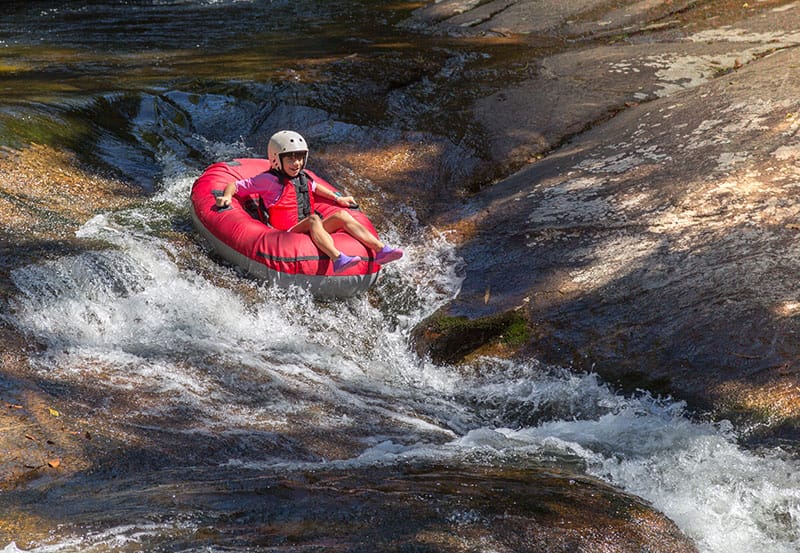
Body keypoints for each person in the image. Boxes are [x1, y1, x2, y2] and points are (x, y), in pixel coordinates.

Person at [215, 130, 403, 273]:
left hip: (308, 228)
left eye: (299, 158)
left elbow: (317, 188)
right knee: (314, 219)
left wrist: (339, 198)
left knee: (342, 215)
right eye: (290, 158)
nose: (296, 163)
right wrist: (227, 196)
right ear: (276, 159)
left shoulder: (303, 177)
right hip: (286, 233)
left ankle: (381, 250)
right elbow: (236, 185)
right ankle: (337, 258)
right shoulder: (268, 180)